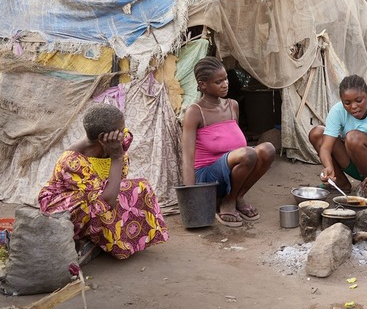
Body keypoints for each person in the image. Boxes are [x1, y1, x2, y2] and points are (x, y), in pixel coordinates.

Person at [38, 103, 169, 260]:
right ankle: (93, 239)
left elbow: (116, 185)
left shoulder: (114, 140)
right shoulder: (72, 161)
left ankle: (120, 239)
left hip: (97, 195)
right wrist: (116, 157)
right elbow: (106, 201)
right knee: (103, 208)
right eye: (121, 130)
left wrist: (115, 154)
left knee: (140, 187)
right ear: (103, 138)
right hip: (63, 206)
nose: (124, 133)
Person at [181, 57, 276, 228]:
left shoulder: (233, 106)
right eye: (218, 81)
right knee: (248, 153)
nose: (225, 84)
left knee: (268, 149)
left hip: (232, 170)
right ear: (203, 85)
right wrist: (191, 198)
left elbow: (235, 145)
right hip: (207, 177)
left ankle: (237, 196)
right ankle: (228, 202)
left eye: (225, 79)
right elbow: (187, 157)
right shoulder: (195, 112)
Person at [309, 74, 367, 196]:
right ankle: (341, 184)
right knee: (317, 133)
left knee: (353, 138)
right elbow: (326, 147)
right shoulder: (338, 111)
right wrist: (328, 167)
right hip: (357, 162)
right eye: (347, 103)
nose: (353, 106)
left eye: (359, 101)